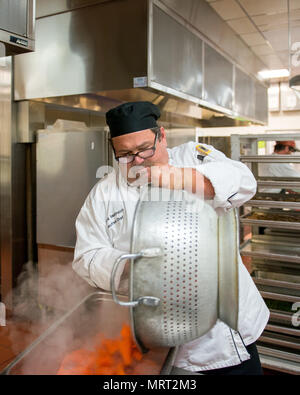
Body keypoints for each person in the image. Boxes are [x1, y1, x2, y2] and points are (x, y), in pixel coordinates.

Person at [72, 101, 269, 375]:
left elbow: (244, 181)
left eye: (144, 149)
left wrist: (179, 177)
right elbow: (86, 257)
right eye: (125, 154)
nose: (137, 160)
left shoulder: (194, 157)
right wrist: (132, 263)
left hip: (228, 337)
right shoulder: (104, 193)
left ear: (161, 135)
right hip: (162, 346)